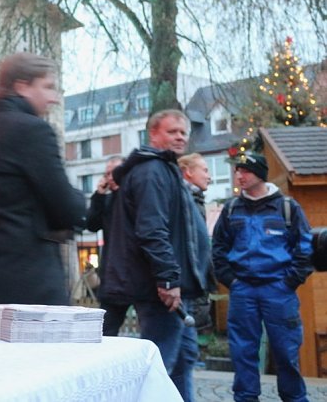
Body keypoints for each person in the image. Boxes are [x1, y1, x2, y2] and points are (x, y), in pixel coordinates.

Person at [0, 53, 85, 312]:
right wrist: (81, 204)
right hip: (29, 287)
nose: (54, 97)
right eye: (47, 87)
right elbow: (67, 208)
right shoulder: (33, 131)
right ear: (22, 86)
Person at [102, 109, 211, 402]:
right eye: (171, 131)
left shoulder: (165, 169)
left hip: (174, 288)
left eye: (183, 132)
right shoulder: (152, 171)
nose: (179, 137)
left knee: (183, 358)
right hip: (161, 291)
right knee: (159, 367)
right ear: (153, 134)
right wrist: (167, 278)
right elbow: (152, 229)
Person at [212, 153, 313, 402]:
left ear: (260, 174)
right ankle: (246, 398)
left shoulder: (287, 208)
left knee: (286, 351)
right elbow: (218, 249)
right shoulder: (231, 209)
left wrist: (290, 281)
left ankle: (294, 399)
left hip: (278, 290)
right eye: (237, 171)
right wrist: (232, 281)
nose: (239, 176)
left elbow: (305, 247)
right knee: (242, 352)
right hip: (243, 290)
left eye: (245, 171)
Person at [84, 155, 130, 336]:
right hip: (113, 274)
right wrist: (98, 196)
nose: (110, 177)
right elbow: (91, 224)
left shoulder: (135, 198)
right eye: (107, 173)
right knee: (106, 330)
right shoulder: (106, 201)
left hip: (137, 275)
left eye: (114, 172)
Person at [178, 152, 216, 332]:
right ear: (188, 172)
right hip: (187, 286)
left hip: (193, 285)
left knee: (189, 350)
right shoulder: (184, 201)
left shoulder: (195, 199)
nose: (209, 176)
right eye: (205, 170)